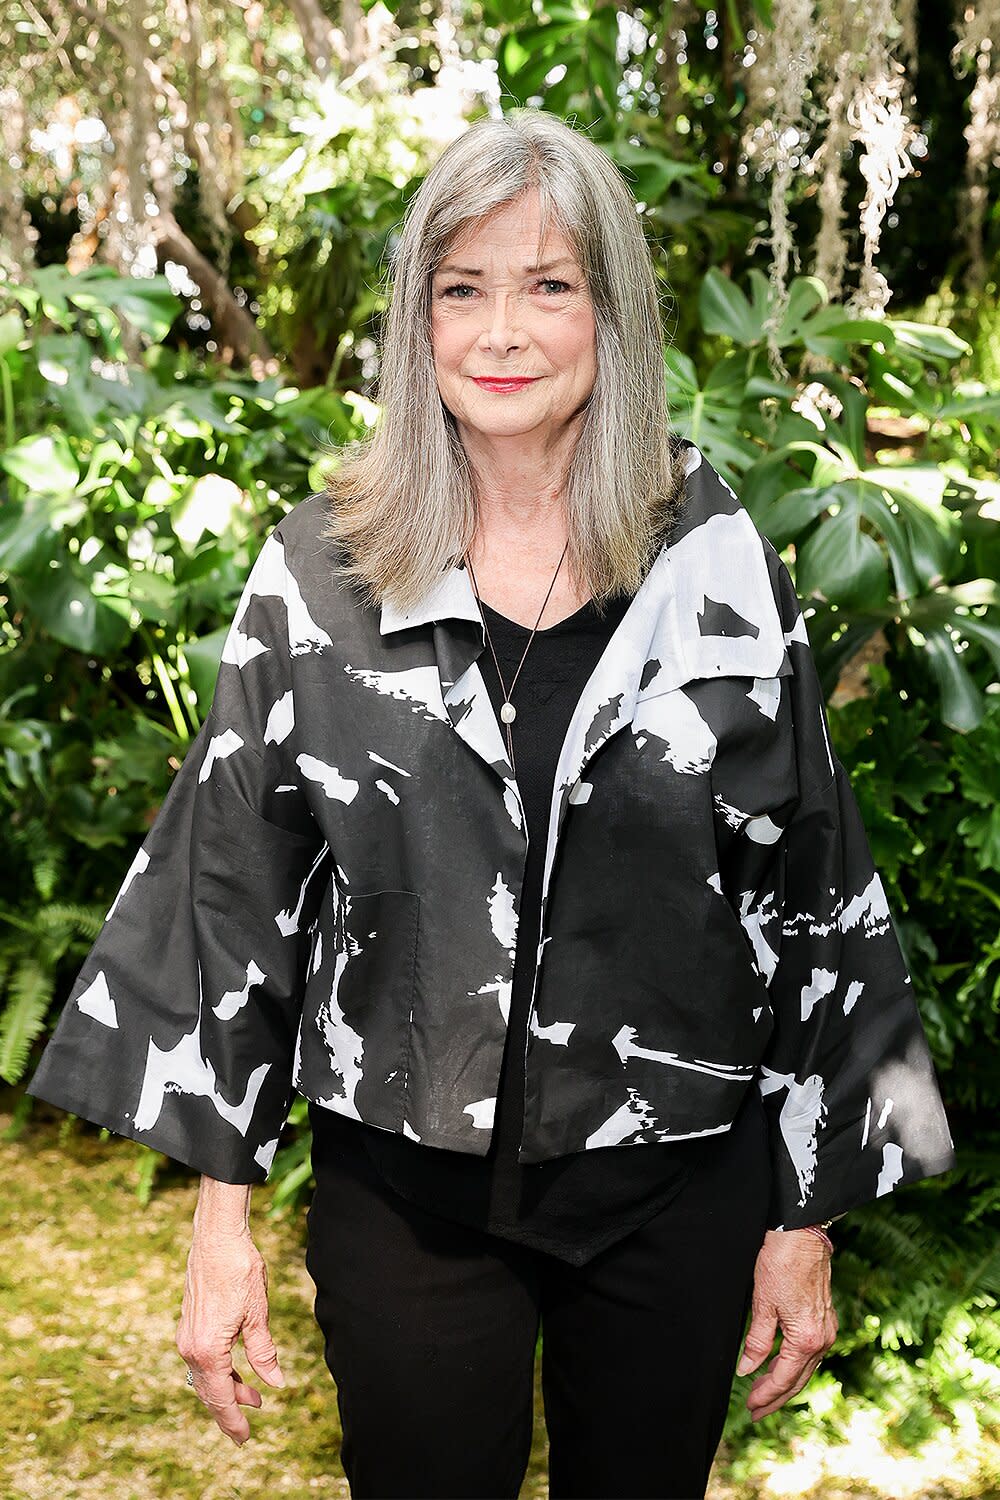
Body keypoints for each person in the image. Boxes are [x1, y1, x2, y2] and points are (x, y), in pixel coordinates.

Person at [27, 109, 957, 1500]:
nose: (502, 331)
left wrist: (805, 1216)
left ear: (612, 312)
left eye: (548, 284)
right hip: (407, 1196)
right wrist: (221, 1223)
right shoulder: (324, 568)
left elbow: (810, 881)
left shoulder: (711, 559)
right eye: (462, 288)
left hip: (671, 1185)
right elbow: (232, 888)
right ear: (418, 321)